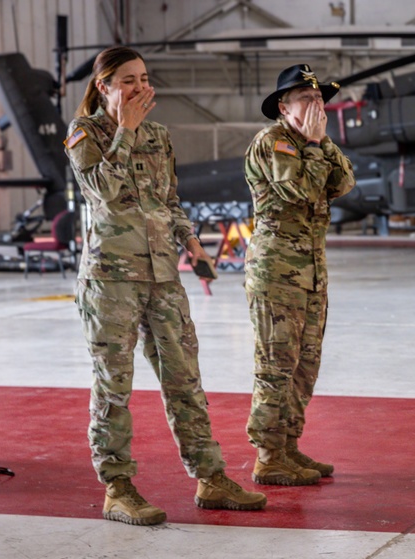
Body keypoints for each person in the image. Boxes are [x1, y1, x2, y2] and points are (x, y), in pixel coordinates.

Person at [66, 46, 267, 525]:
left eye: (144, 77)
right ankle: (117, 487)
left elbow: (169, 199)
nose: (140, 87)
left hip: (163, 277)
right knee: (113, 385)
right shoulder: (85, 133)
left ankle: (211, 477)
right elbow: (106, 191)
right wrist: (125, 130)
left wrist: (191, 242)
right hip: (110, 280)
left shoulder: (157, 135)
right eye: (128, 80)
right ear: (104, 86)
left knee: (185, 380)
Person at [243, 65, 356, 486]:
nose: (317, 106)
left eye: (319, 99)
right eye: (306, 100)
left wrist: (320, 142)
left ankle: (288, 445)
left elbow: (344, 182)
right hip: (276, 273)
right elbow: (301, 191)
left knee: (304, 366)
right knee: (276, 366)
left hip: (310, 274)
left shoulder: (312, 142)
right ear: (283, 107)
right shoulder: (273, 142)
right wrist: (312, 144)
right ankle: (268, 455)